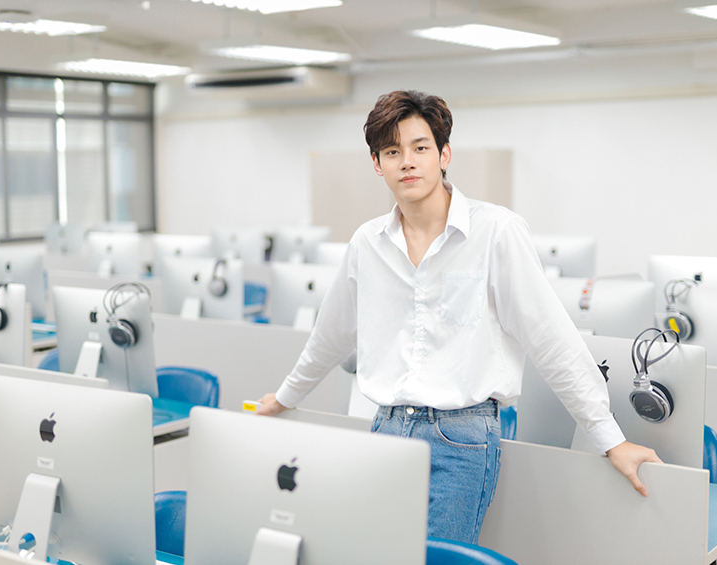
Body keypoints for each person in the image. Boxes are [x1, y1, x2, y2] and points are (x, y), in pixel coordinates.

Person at [257, 90, 662, 545]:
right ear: (377, 164)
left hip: (462, 438)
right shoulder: (367, 243)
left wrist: (610, 438)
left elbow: (550, 338)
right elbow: (330, 336)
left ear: (444, 154)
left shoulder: (496, 232)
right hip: (386, 427)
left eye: (420, 147)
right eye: (392, 152)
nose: (407, 162)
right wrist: (285, 397)